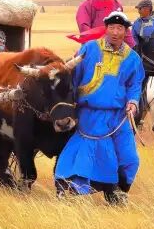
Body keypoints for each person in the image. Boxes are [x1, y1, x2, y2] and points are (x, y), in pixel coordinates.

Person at [54, 11, 144, 205]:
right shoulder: (89, 49)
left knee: (129, 157)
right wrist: (68, 105)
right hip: (90, 114)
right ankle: (73, 190)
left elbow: (135, 84)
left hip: (119, 116)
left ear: (125, 31)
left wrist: (133, 102)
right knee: (90, 156)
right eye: (111, 27)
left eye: (119, 28)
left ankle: (120, 191)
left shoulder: (133, 58)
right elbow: (73, 78)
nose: (115, 32)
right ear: (106, 29)